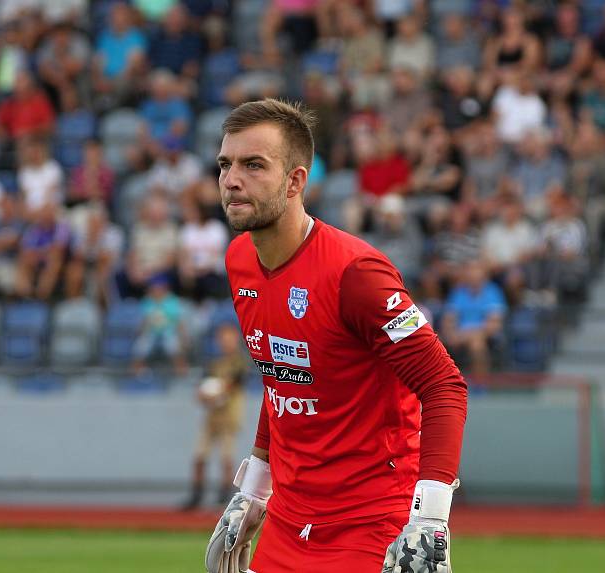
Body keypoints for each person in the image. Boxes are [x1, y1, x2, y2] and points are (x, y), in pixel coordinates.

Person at [206, 99, 467, 573]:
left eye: (253, 165)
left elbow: (444, 384)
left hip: (370, 526)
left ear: (295, 182)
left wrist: (430, 519)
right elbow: (282, 375)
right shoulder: (239, 259)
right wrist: (253, 489)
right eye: (225, 164)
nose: (231, 179)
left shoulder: (356, 273)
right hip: (288, 521)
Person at [183, 321, 251, 510]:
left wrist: (216, 393)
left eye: (228, 338)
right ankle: (196, 494)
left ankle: (225, 493)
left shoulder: (240, 361)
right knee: (200, 455)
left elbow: (235, 384)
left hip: (230, 415)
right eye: (222, 339)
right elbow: (203, 388)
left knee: (226, 456)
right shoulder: (215, 364)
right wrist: (204, 396)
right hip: (212, 416)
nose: (225, 342)